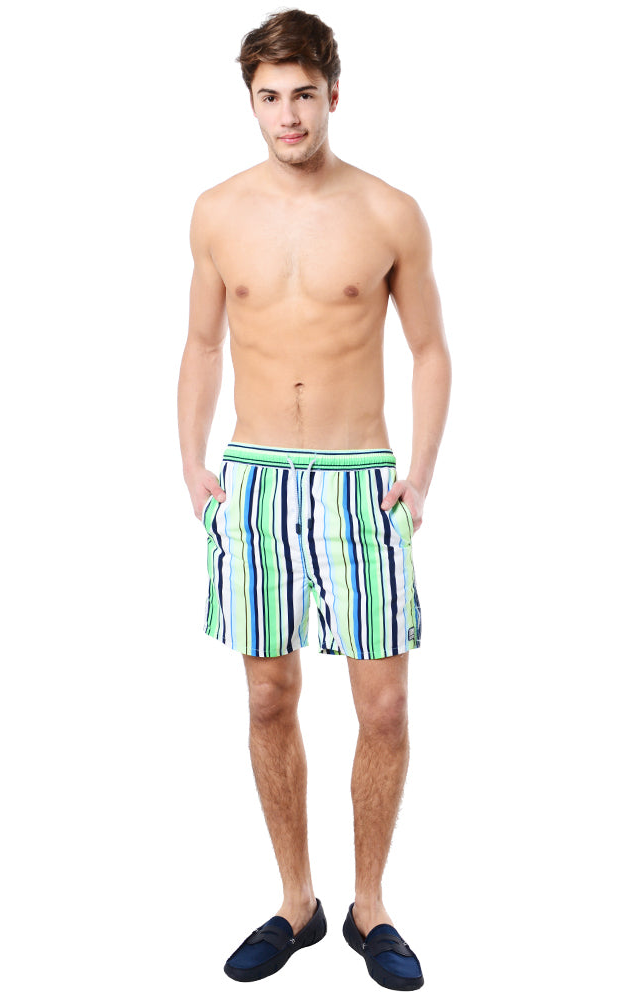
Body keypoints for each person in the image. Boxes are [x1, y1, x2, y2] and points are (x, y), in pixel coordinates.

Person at [177, 8, 451, 991]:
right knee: (267, 694)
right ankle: (297, 902)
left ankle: (369, 906)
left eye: (302, 94)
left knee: (384, 706)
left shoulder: (389, 212)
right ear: (250, 101)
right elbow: (202, 342)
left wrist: (420, 478)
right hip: (252, 480)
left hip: (357, 481)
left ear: (334, 93)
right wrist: (192, 468)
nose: (287, 116)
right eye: (269, 97)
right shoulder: (216, 211)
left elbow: (430, 350)